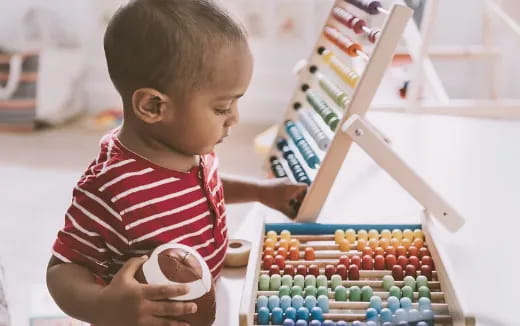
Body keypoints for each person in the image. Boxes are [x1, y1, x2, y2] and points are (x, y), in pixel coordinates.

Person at [46, 1, 307, 325]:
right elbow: (62, 268)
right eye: (222, 107)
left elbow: (201, 190)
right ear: (153, 106)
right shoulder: (112, 190)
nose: (235, 119)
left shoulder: (191, 149)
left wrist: (260, 191)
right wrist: (103, 305)